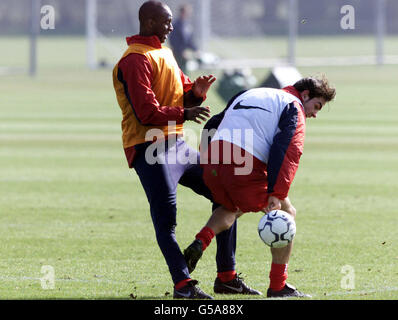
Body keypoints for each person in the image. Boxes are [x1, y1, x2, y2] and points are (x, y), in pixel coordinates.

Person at [112, 1, 260, 299]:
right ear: (150, 21)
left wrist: (195, 93)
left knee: (226, 195)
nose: (171, 27)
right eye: (166, 22)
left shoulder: (164, 54)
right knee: (166, 220)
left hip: (178, 145)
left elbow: (181, 97)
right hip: (150, 149)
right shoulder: (133, 60)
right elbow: (146, 113)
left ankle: (226, 277)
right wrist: (185, 114)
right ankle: (183, 285)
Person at [184, 76, 336, 298]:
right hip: (243, 161)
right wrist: (277, 193)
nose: (314, 113)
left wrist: (208, 162)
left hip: (214, 157)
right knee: (287, 212)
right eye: (316, 106)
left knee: (232, 206)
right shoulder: (293, 107)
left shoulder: (252, 92)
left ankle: (201, 240)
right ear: (305, 95)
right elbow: (288, 151)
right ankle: (278, 286)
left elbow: (213, 123)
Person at [168, 4, 197, 73]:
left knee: (185, 74)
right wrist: (181, 52)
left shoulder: (186, 24)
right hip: (177, 54)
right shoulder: (176, 24)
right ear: (182, 12)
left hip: (184, 55)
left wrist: (195, 49)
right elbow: (173, 40)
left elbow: (188, 40)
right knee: (178, 73)